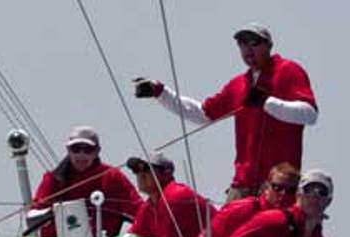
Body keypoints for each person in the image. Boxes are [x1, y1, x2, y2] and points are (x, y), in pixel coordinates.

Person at [134, 24, 317, 201]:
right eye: (242, 44)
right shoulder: (239, 84)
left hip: (279, 186)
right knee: (219, 232)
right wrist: (160, 93)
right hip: (243, 184)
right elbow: (202, 114)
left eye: (254, 42)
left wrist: (267, 102)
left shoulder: (288, 71)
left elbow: (309, 114)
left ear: (269, 45)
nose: (248, 49)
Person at [32, 126, 142, 237]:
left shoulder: (112, 177)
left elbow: (141, 212)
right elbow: (32, 216)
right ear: (68, 150)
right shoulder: (53, 180)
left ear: (97, 151)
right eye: (75, 149)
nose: (81, 155)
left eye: (88, 150)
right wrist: (54, 213)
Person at [126, 152, 215, 237]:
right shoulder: (149, 206)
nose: (140, 175)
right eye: (136, 170)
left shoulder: (176, 195)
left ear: (166, 173)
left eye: (146, 169)